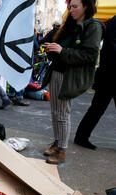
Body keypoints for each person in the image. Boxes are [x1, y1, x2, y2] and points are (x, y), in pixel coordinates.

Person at [42, 0, 103, 164]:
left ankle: (62, 150)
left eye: (75, 6)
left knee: (62, 114)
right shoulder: (71, 24)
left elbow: (89, 55)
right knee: (56, 113)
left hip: (68, 76)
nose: (71, 9)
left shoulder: (93, 26)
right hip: (57, 72)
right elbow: (63, 49)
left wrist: (62, 50)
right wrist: (53, 48)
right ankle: (57, 143)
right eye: (70, 6)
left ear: (86, 7)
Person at [74, 15, 116, 150]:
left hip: (107, 75)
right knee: (97, 108)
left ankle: (81, 136)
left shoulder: (113, 21)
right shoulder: (114, 22)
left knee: (96, 109)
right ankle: (81, 137)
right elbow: (111, 45)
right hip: (109, 75)